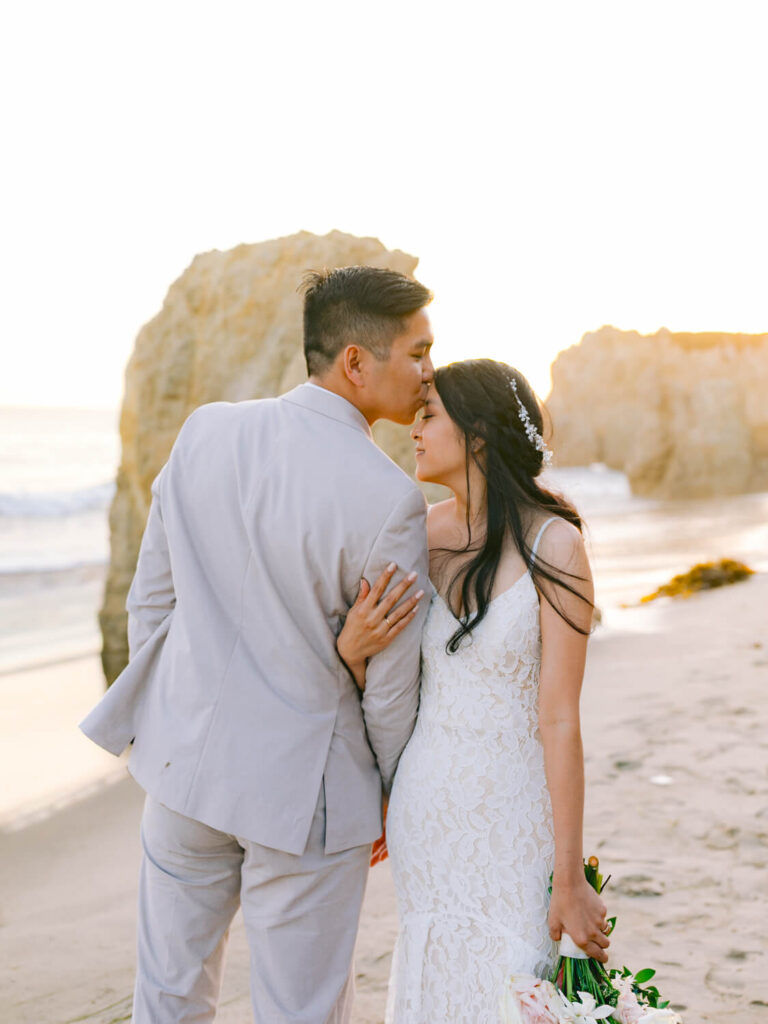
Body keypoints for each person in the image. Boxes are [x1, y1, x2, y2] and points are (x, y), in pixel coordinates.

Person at [79, 265, 434, 1023]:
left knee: (167, 999)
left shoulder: (208, 429)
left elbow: (153, 598)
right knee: (298, 1011)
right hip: (306, 796)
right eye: (418, 352)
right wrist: (387, 796)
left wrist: (170, 714)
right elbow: (394, 687)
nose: (428, 374)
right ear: (356, 363)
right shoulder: (390, 499)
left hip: (184, 773)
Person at [336, 358, 610, 1023]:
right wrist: (352, 650)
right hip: (426, 814)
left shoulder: (557, 545)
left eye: (430, 415)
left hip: (517, 815)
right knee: (437, 982)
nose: (415, 428)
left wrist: (569, 877)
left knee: (516, 980)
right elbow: (393, 686)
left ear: (479, 434)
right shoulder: (416, 536)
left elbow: (560, 721)